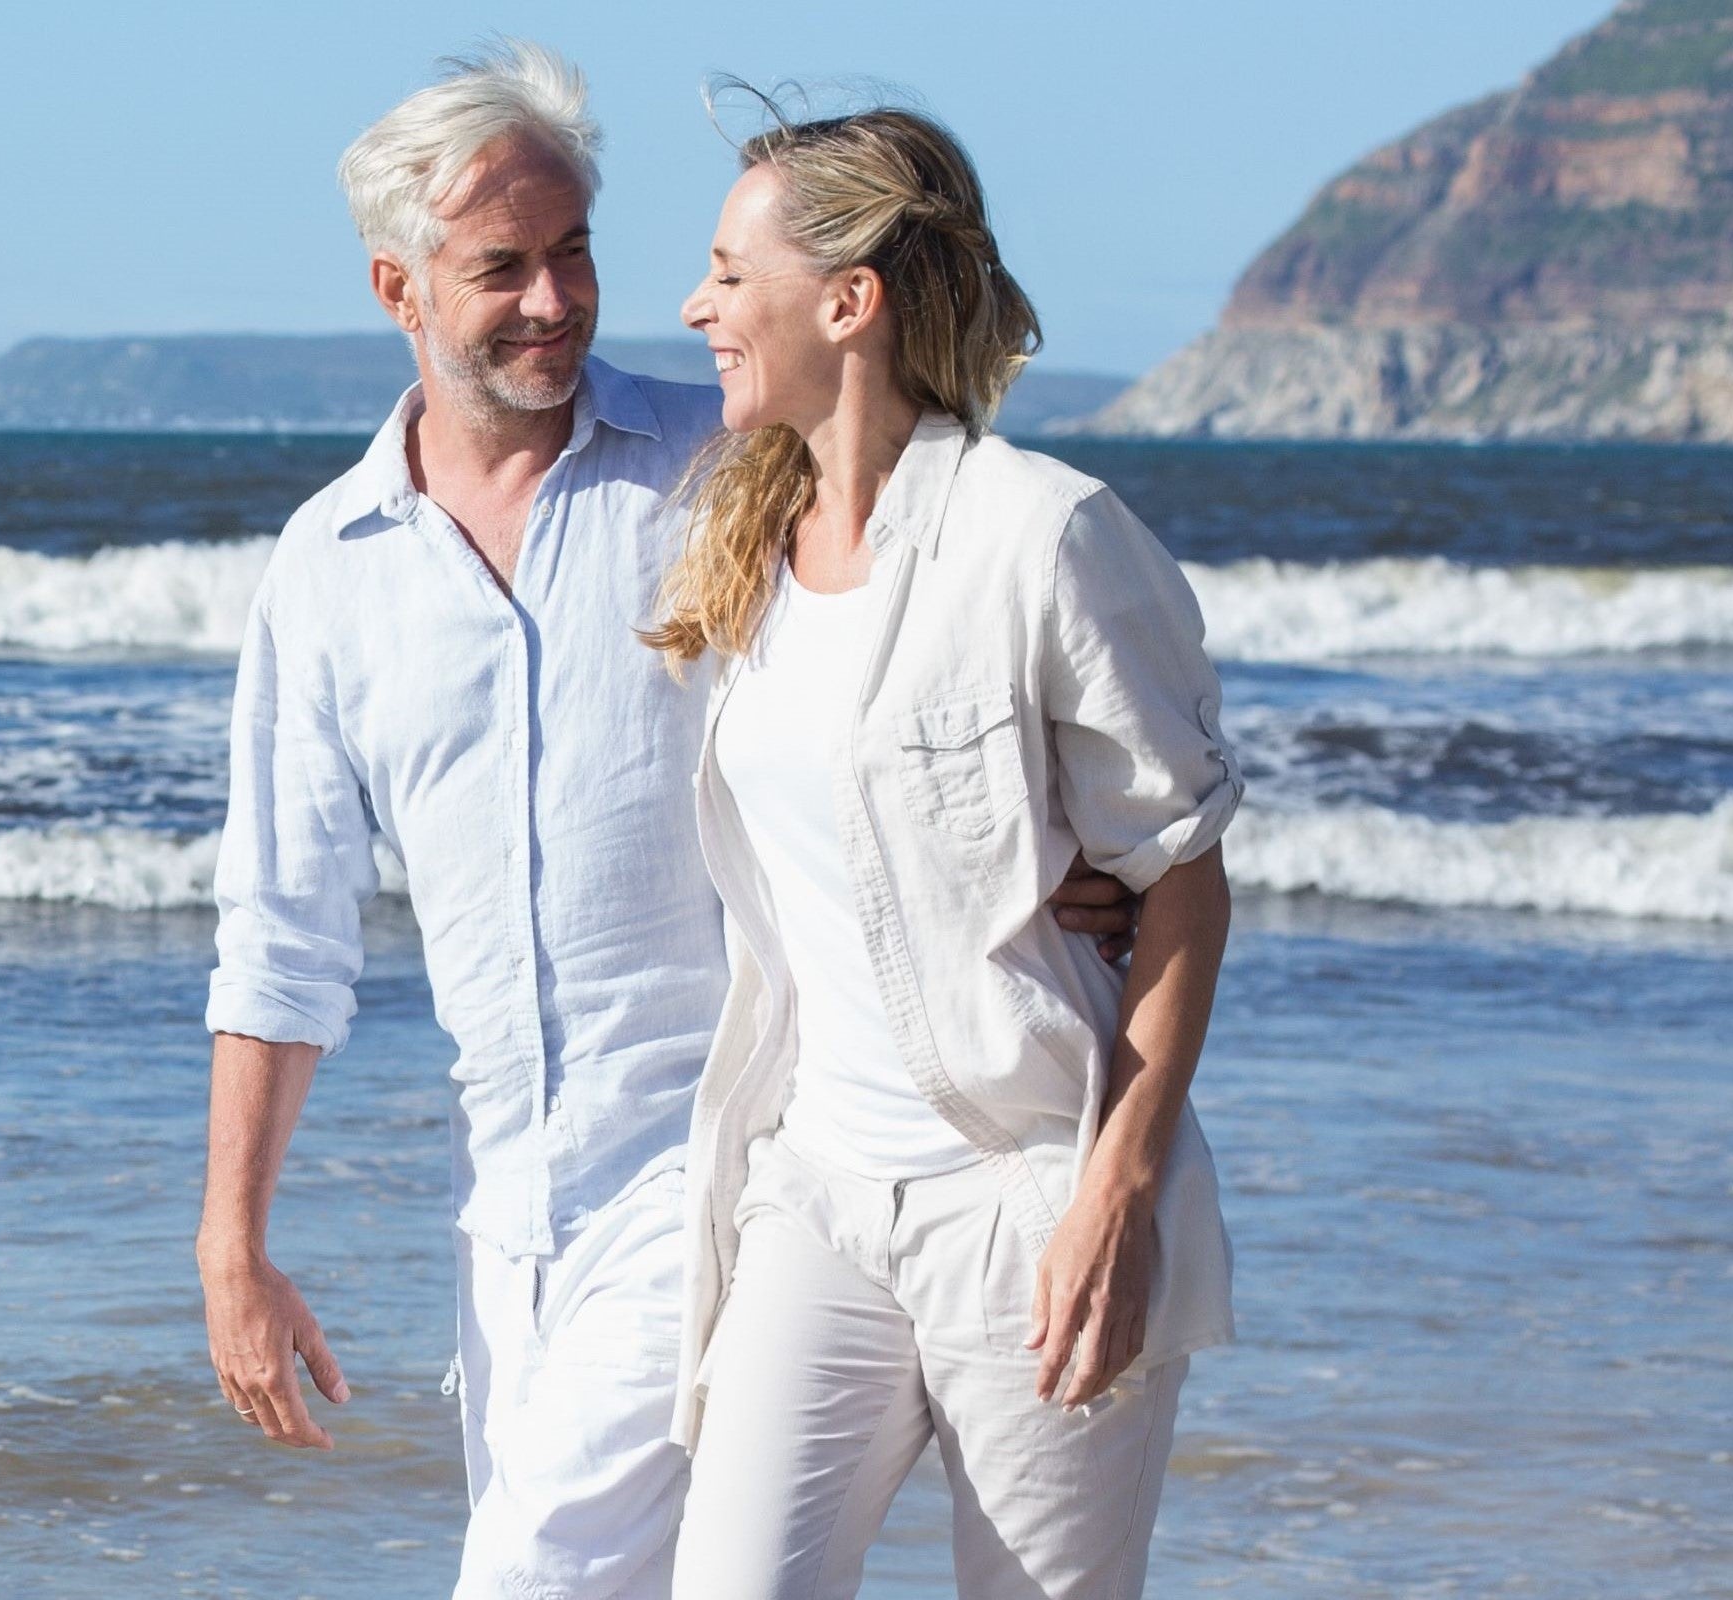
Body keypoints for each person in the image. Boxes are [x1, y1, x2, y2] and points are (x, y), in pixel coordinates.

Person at [195, 46, 1144, 1599]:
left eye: (573, 252)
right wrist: (232, 1240)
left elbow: (937, 629)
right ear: (398, 287)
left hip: (715, 1169)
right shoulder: (327, 571)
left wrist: (1055, 854)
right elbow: (282, 935)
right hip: (503, 1219)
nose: (557, 301)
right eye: (503, 268)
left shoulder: (725, 471)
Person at [648, 105, 1241, 1600]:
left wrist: (1115, 1195)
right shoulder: (742, 544)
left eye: (730, 273)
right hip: (814, 1192)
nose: (696, 307)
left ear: (849, 302)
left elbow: (1182, 879)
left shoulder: (1045, 539)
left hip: (1027, 1194)